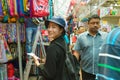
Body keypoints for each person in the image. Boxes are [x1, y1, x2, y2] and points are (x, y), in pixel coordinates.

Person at [73, 14, 108, 80]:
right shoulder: (81, 37)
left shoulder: (105, 36)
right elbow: (76, 52)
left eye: (97, 23)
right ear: (88, 24)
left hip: (101, 71)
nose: (95, 25)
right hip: (86, 71)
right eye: (93, 23)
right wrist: (74, 67)